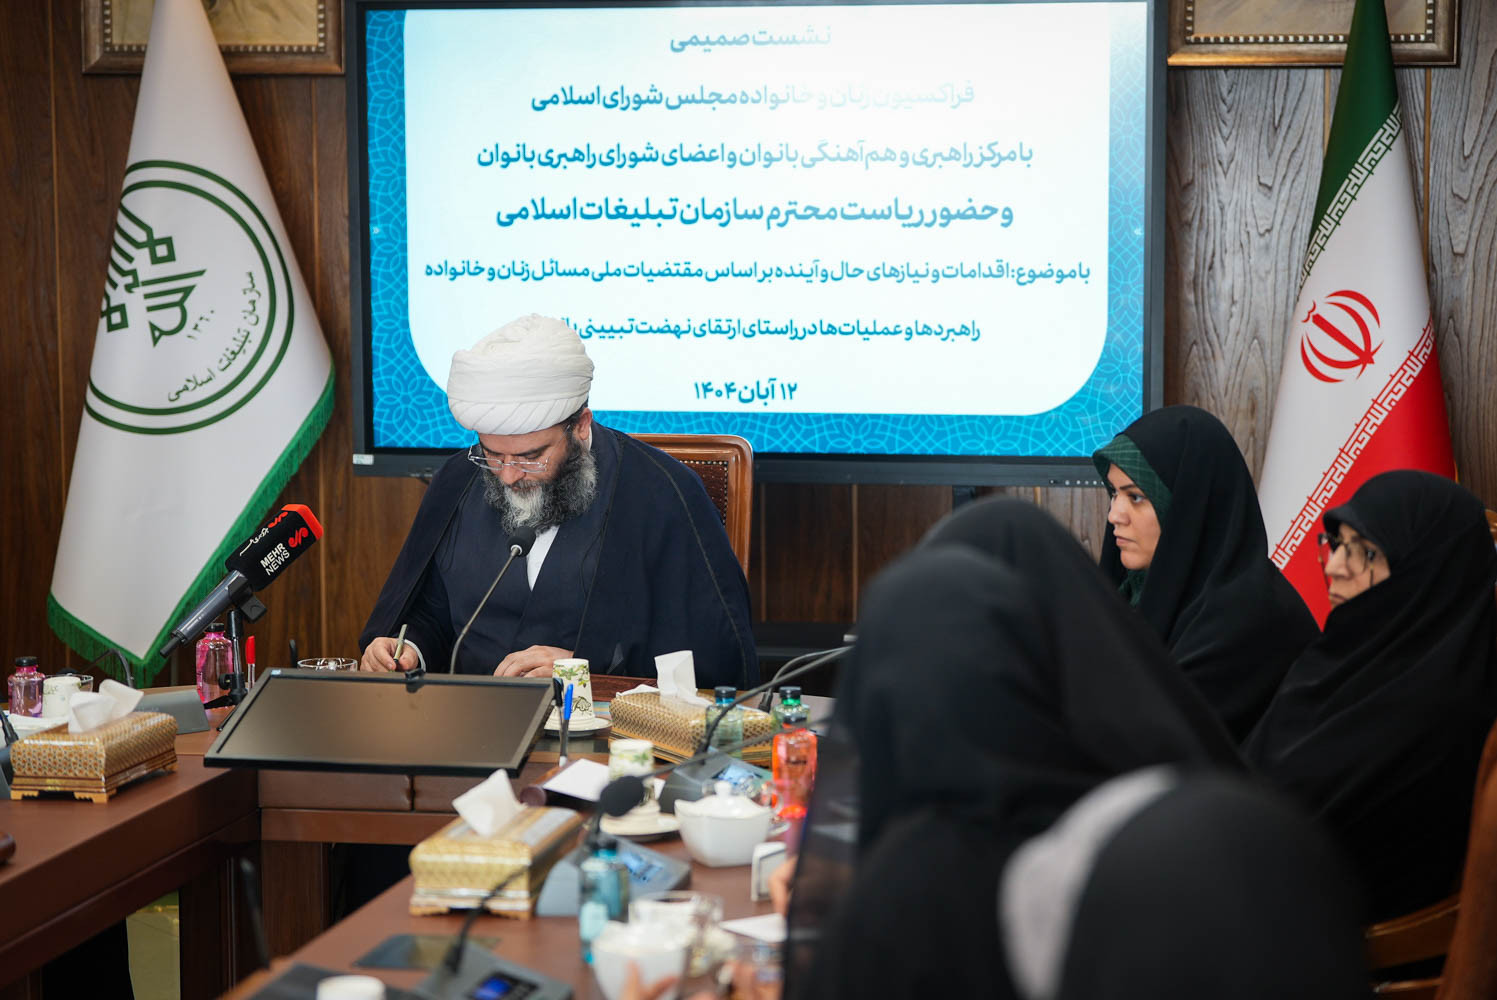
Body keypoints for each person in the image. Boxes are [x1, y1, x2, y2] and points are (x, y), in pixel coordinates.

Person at [359, 314, 755, 687]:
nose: (508, 475)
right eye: (492, 455)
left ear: (580, 426)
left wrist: (586, 669)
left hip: (605, 728)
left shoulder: (661, 493)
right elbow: (431, 612)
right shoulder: (458, 480)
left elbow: (710, 658)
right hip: (475, 721)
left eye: (530, 457)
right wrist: (407, 649)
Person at [1245, 469, 1497, 919]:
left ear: (1425, 572)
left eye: (1366, 552)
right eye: (1337, 544)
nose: (1335, 567)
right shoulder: (1342, 657)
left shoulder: (1436, 712)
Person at [1091, 405, 1319, 740]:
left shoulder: (1251, 618)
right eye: (1114, 493)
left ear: (1189, 508)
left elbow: (1148, 738)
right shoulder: (1134, 593)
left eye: (1136, 497)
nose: (1115, 515)